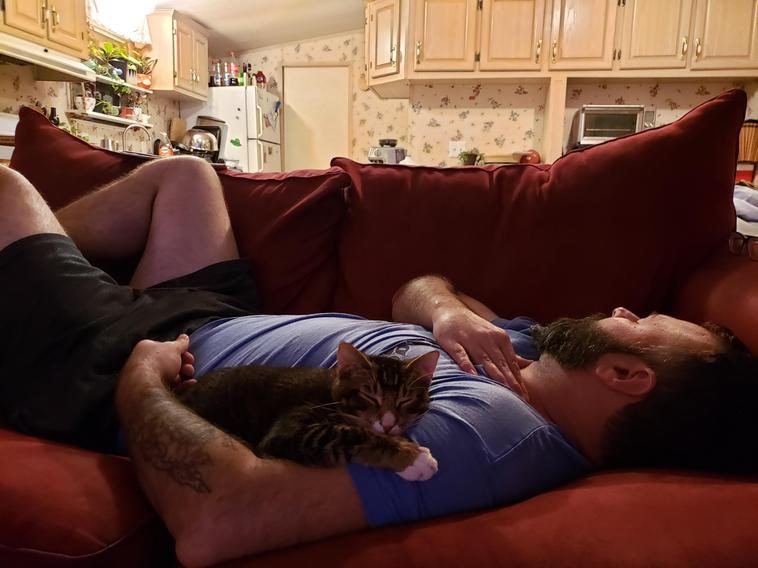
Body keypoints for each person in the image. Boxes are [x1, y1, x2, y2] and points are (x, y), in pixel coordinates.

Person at [1, 159, 756, 568]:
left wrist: (140, 381)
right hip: (213, 313)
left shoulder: (489, 434)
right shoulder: (527, 353)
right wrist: (446, 310)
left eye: (641, 323)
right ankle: (32, 268)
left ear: (625, 375)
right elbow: (416, 288)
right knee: (186, 175)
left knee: (5, 187)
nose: (624, 308)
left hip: (129, 359)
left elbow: (219, 520)